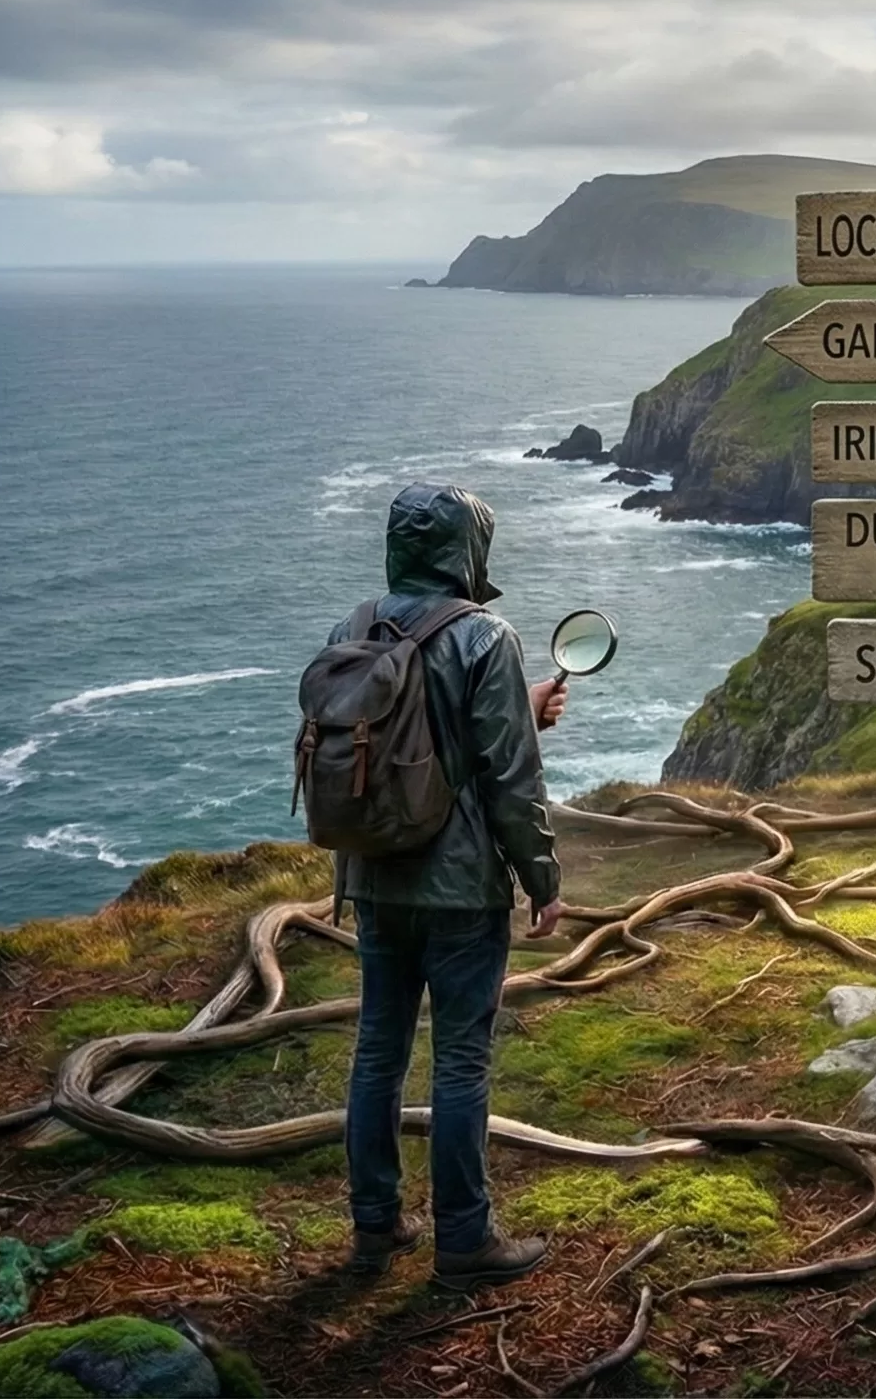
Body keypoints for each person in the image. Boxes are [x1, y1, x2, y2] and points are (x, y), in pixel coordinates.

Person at [333, 483, 566, 1286]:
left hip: (371, 876)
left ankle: (374, 1229)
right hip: (461, 888)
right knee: (460, 1061)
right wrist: (541, 875)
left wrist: (522, 708)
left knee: (376, 1053)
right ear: (469, 548)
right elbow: (508, 772)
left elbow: (398, 744)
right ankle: (463, 1240)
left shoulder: (354, 626)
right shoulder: (484, 636)